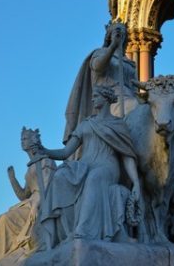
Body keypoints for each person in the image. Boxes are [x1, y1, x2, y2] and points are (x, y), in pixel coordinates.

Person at [34, 86, 141, 249]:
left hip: (107, 167)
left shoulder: (118, 124)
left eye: (96, 96)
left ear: (106, 99)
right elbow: (65, 152)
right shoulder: (86, 124)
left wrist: (136, 183)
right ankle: (63, 234)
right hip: (85, 165)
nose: (92, 99)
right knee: (60, 177)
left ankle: (83, 231)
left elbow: (127, 156)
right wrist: (45, 151)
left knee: (94, 178)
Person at [0, 128, 55, 264]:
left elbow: (48, 186)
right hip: (29, 203)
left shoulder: (46, 162)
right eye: (21, 139)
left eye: (25, 139)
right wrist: (12, 179)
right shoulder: (31, 167)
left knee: (3, 220)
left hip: (39, 203)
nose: (22, 142)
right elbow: (23, 195)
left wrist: (36, 205)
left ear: (34, 140)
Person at [64, 22, 139, 142]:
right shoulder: (100, 53)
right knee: (134, 106)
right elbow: (98, 67)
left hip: (130, 96)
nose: (120, 34)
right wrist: (112, 47)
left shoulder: (129, 62)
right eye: (116, 31)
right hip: (111, 98)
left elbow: (135, 86)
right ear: (109, 36)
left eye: (123, 32)